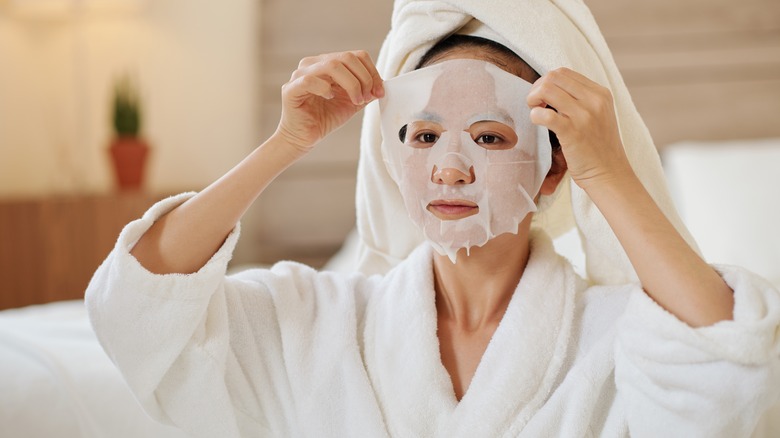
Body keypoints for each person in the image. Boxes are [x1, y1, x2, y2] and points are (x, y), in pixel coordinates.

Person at [86, 2, 780, 437]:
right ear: (395, 161)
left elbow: (727, 373)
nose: (448, 169)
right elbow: (137, 310)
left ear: (552, 167)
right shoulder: (316, 321)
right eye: (422, 136)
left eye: (490, 136)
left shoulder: (618, 338)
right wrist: (286, 143)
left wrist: (608, 172)